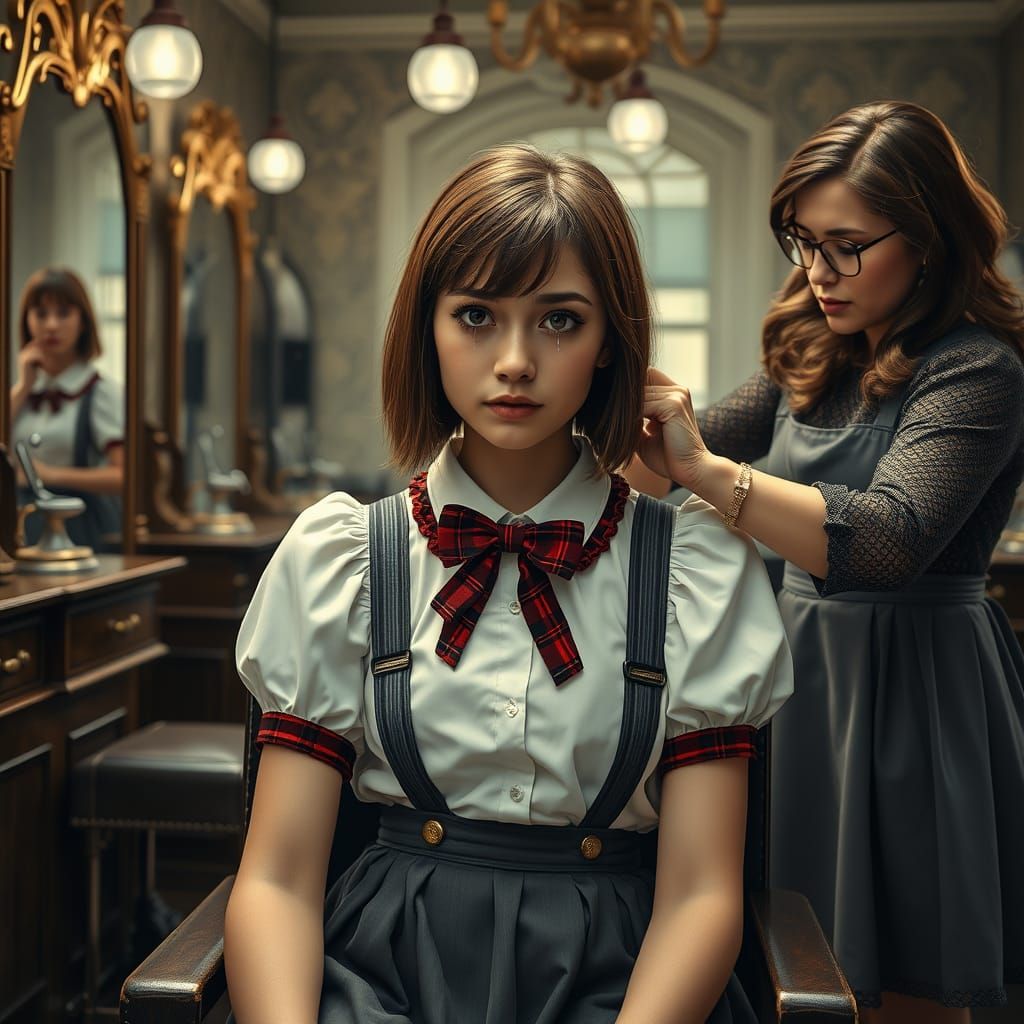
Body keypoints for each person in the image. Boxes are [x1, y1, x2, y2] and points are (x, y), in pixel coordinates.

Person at [224, 144, 793, 1024]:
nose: (517, 360)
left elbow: (701, 896)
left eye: (560, 320)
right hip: (379, 976)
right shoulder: (343, 559)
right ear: (429, 329)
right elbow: (278, 880)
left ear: (612, 343)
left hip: (623, 983)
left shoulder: (692, 572)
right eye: (478, 315)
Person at [631, 101, 1024, 1023]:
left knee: (907, 989)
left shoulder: (979, 370)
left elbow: (886, 539)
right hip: (798, 680)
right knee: (791, 969)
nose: (817, 272)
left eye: (847, 245)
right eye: (804, 243)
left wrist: (700, 467)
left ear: (927, 237)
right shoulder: (815, 347)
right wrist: (609, 396)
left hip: (918, 698)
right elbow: (662, 460)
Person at [9, 267, 124, 549]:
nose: (51, 325)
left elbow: (125, 476)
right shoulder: (22, 391)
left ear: (83, 321)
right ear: (26, 320)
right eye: (40, 313)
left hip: (78, 531)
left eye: (63, 313)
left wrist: (50, 475)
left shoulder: (99, 390)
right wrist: (22, 387)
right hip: (19, 531)